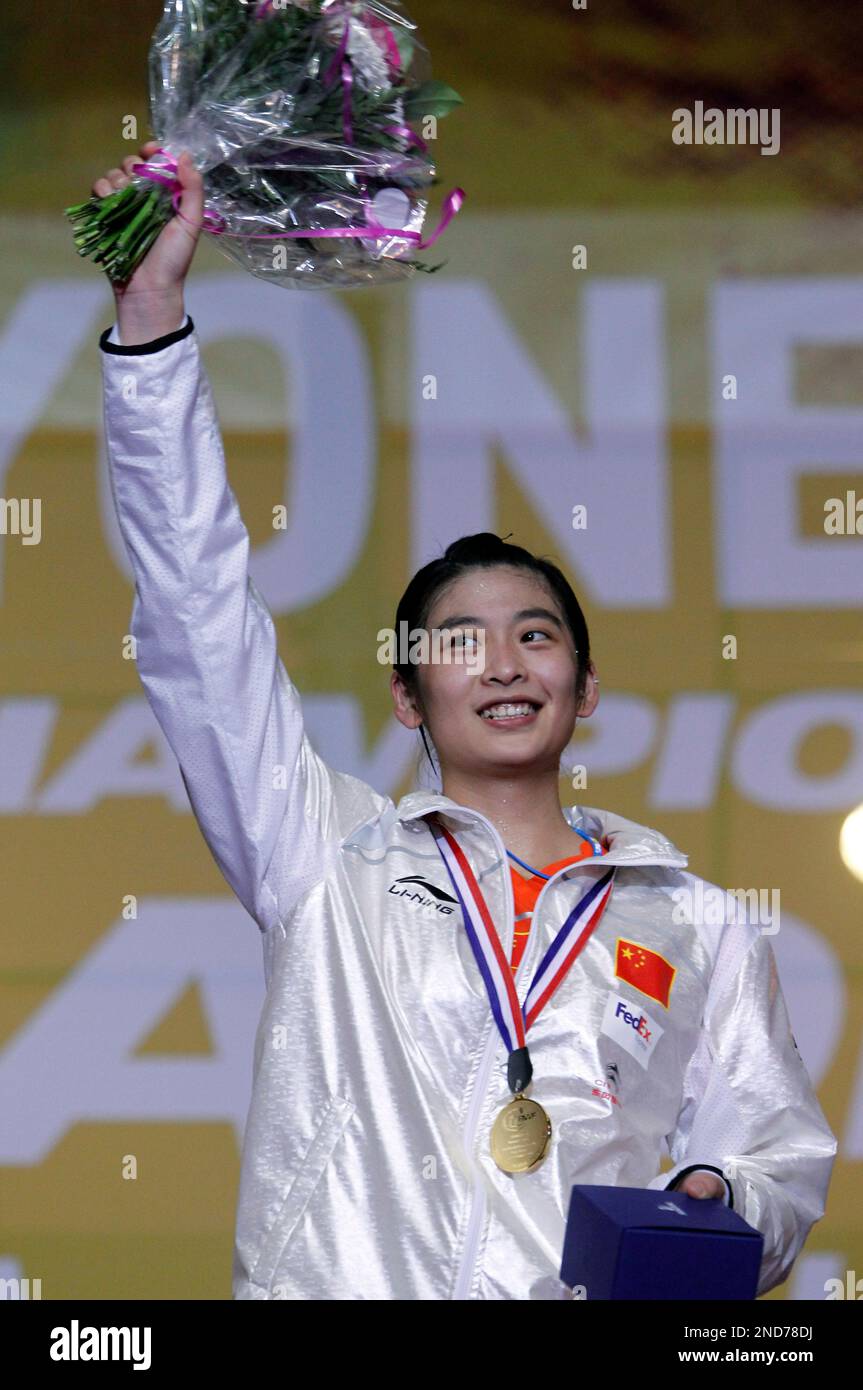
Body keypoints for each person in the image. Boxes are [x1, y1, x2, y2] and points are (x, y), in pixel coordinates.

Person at [94, 142, 837, 1301]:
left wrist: (716, 1195)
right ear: (407, 694)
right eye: (458, 640)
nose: (500, 662)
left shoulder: (692, 921)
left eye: (536, 635)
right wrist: (150, 324)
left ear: (584, 689)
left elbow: (776, 1157)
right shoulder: (325, 860)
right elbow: (197, 617)